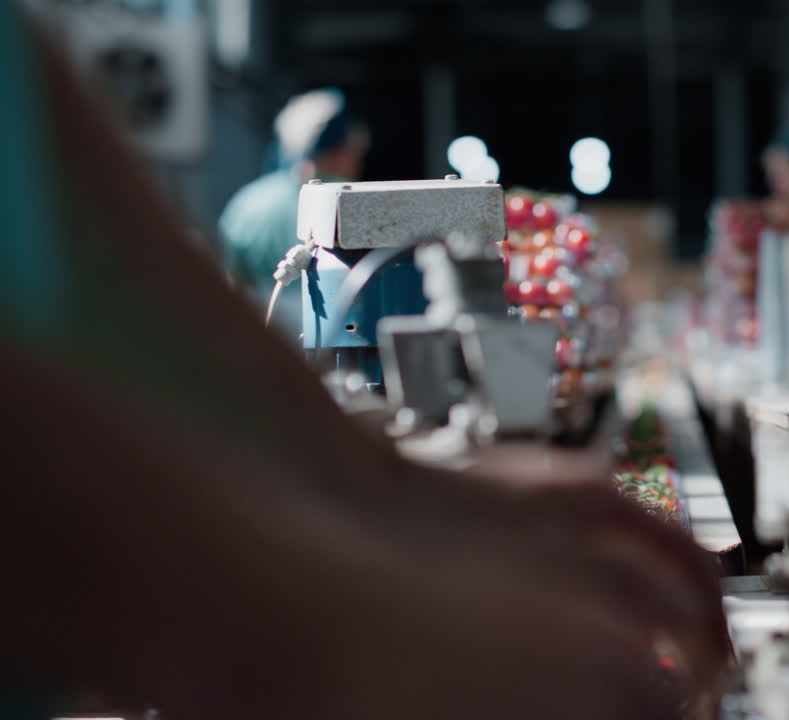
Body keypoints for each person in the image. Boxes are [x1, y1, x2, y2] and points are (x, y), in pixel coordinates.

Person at [1, 4, 727, 719]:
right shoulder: (300, 208)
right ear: (344, 149)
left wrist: (386, 488)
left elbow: (172, 317)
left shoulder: (242, 201)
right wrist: (328, 627)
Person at [219, 88, 370, 334]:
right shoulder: (349, 205)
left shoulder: (246, 204)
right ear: (343, 151)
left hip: (264, 346)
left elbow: (232, 289)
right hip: (334, 345)